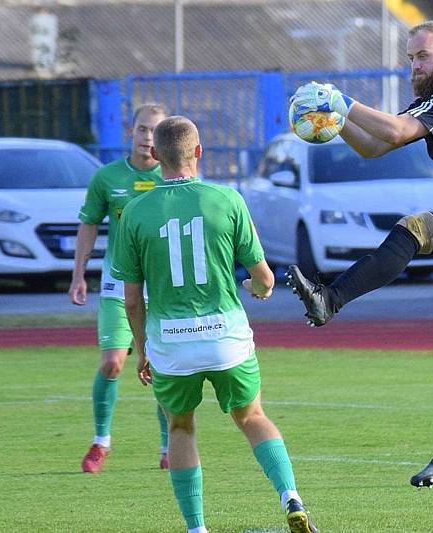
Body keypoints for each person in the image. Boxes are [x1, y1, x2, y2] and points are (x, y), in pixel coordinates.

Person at [286, 20, 433, 489]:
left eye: (422, 56)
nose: (414, 65)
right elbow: (376, 146)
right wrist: (333, 125)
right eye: (410, 58)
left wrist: (343, 102)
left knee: (415, 227)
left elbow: (396, 132)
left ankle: (330, 299)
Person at [111, 115, 317, 533]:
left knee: (180, 426)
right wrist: (257, 289)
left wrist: (141, 348)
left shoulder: (135, 213)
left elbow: (131, 299)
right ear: (199, 153)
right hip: (226, 335)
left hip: (170, 341)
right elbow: (264, 278)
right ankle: (290, 495)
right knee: (252, 416)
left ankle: (197, 528)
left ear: (154, 154)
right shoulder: (227, 200)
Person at [69, 103, 171, 474]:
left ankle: (168, 447)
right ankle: (101, 442)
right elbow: (89, 224)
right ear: (131, 132)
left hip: (161, 288)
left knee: (162, 368)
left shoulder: (174, 177)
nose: (147, 138)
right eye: (142, 129)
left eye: (155, 132)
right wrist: (79, 273)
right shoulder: (107, 177)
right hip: (116, 284)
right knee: (113, 364)